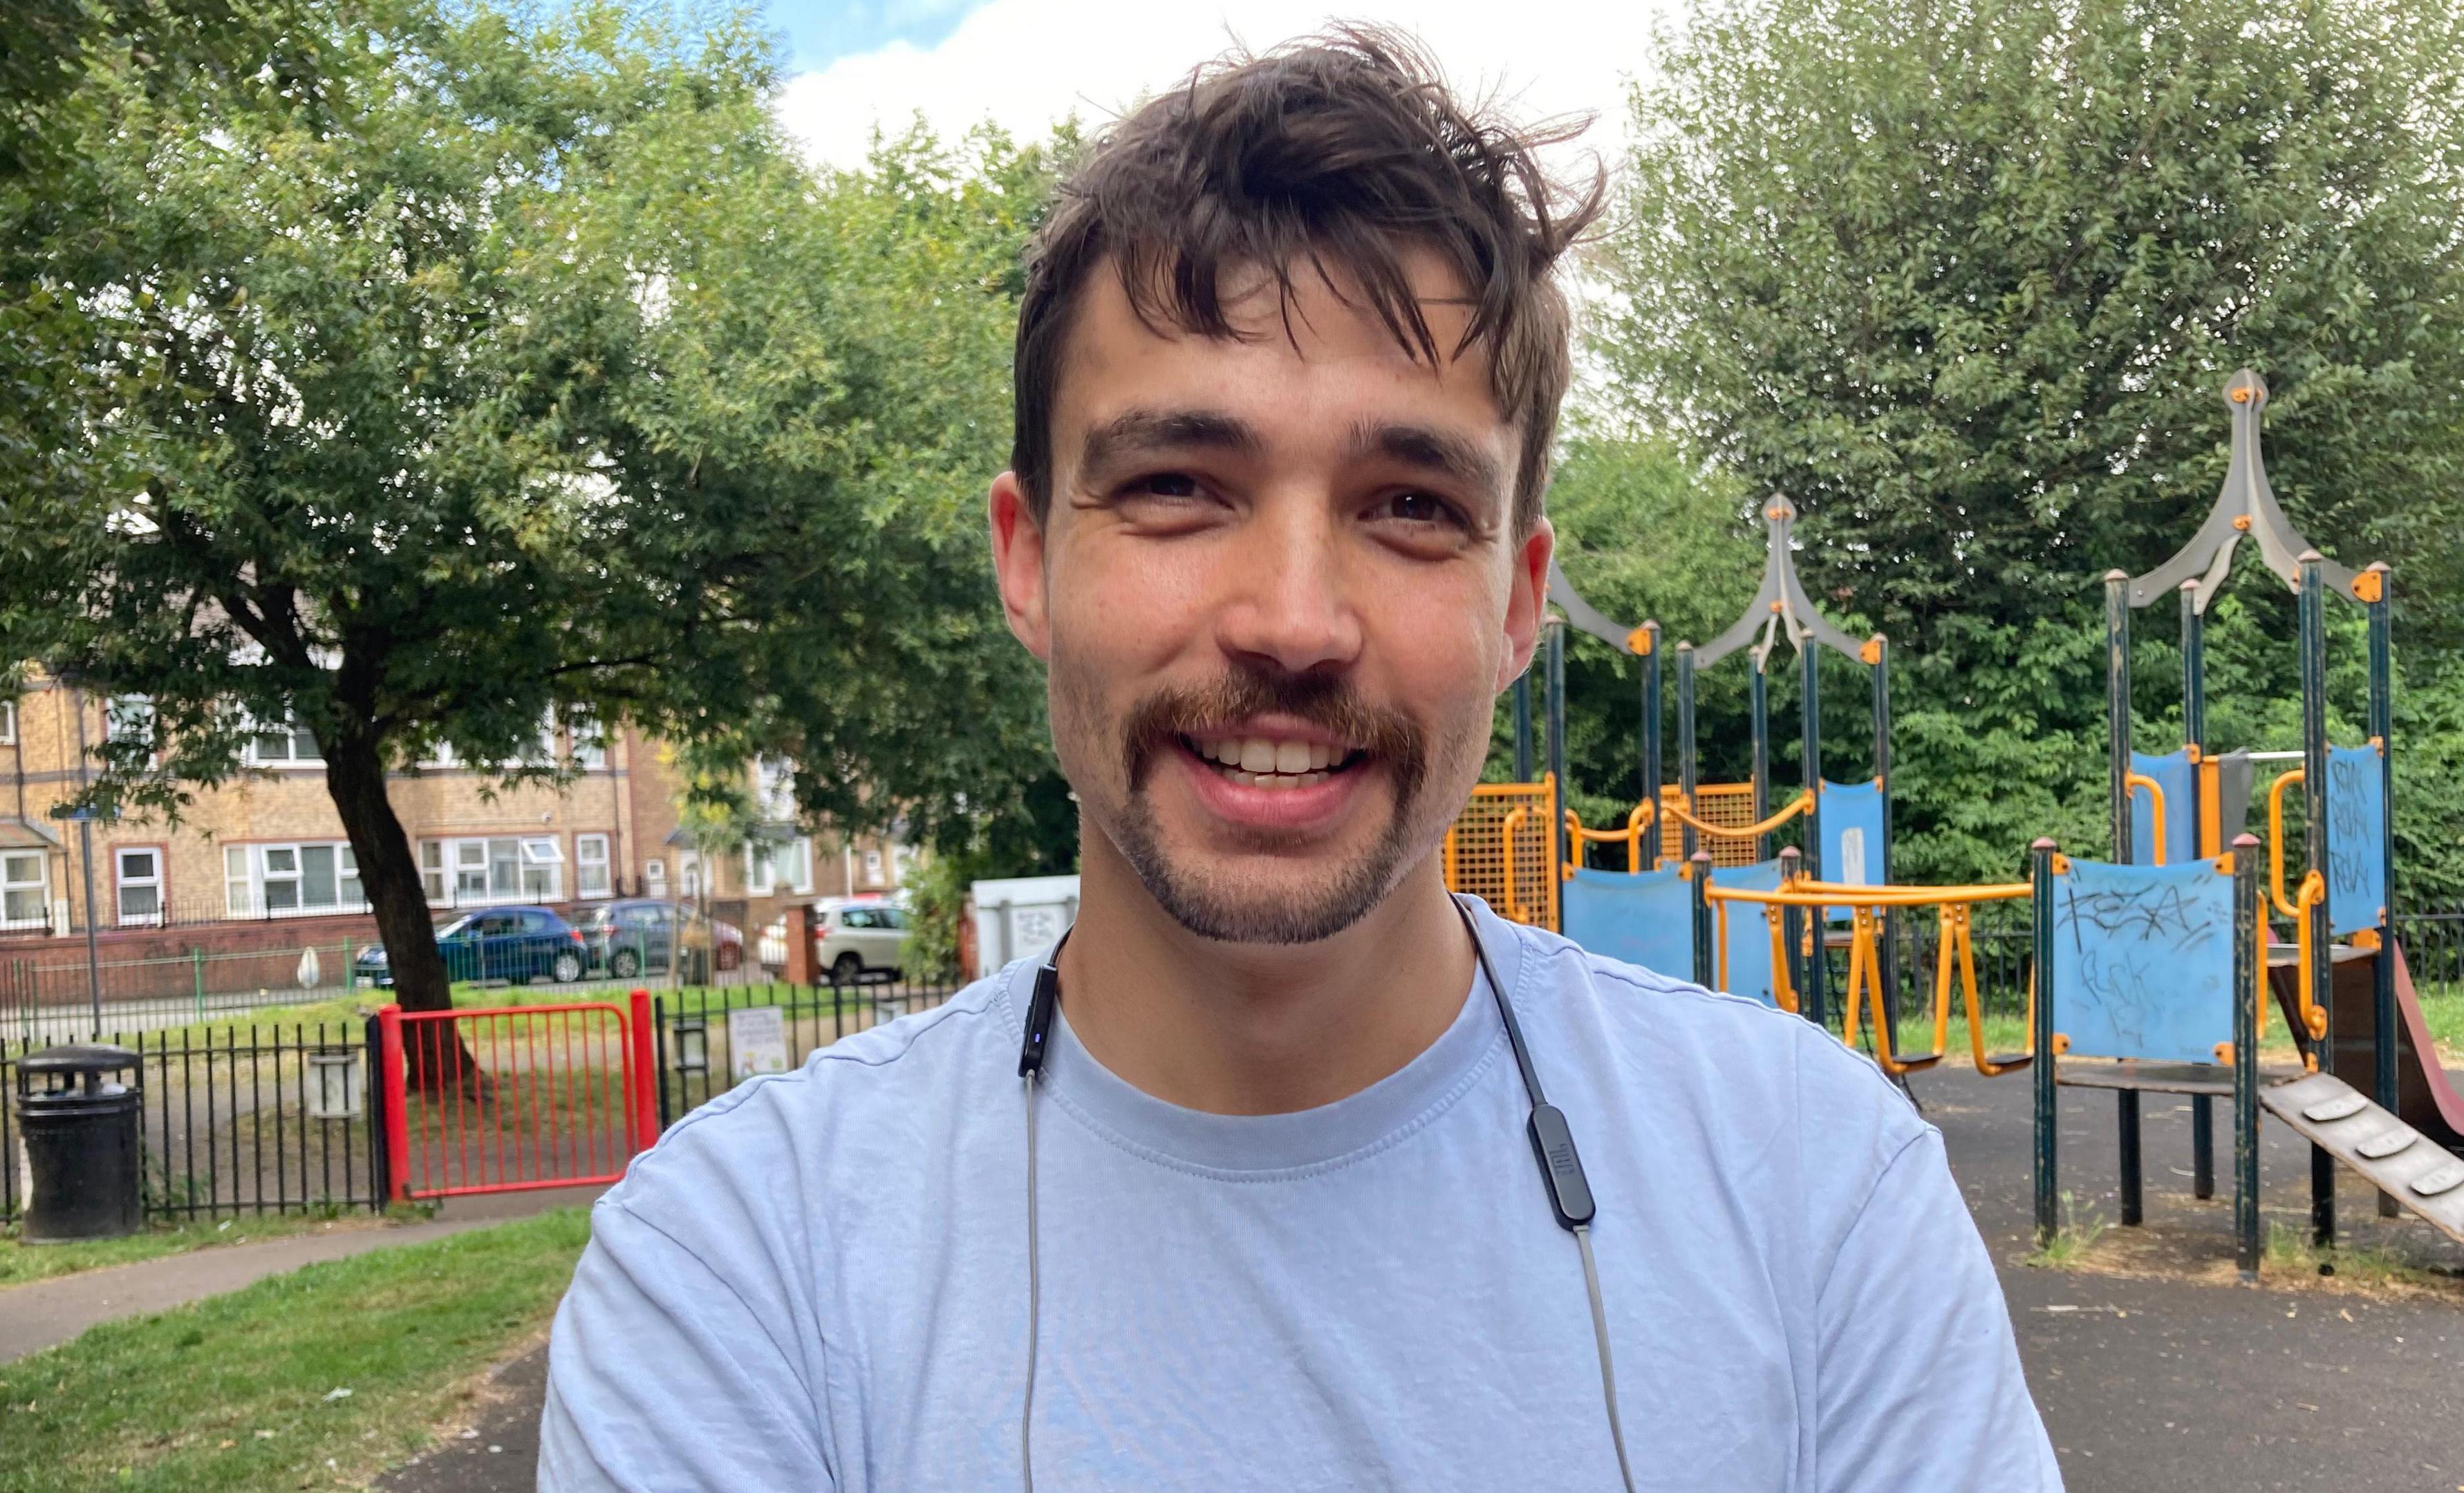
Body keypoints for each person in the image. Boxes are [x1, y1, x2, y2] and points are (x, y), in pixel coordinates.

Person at [541, 27, 2061, 1492]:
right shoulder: (744, 1271)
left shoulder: (1815, 1191)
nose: (1294, 622)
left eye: (1408, 506)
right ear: (1028, 563)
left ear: (1518, 600)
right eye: (1178, 485)